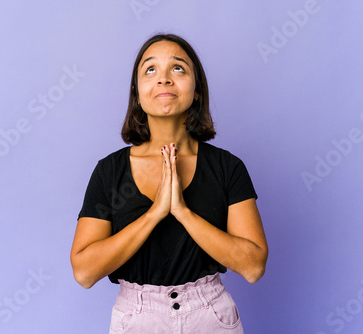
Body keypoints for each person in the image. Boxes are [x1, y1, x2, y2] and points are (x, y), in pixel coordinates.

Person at [70, 33, 268, 333]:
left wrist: (182, 211)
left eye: (178, 68)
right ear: (137, 93)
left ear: (197, 90)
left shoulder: (228, 167)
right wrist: (154, 214)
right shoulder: (109, 172)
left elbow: (253, 268)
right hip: (137, 318)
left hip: (210, 316)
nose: (163, 79)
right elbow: (84, 273)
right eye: (150, 70)